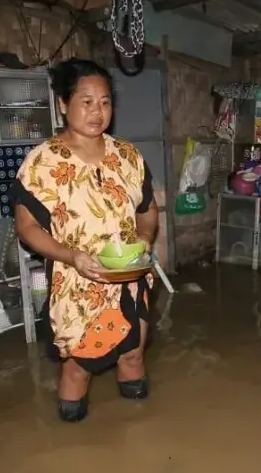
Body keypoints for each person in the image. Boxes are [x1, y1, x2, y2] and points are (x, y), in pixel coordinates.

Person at [11, 58, 158, 422]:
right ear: (63, 103)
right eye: (87, 101)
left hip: (129, 279)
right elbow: (27, 228)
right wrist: (71, 255)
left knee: (134, 353)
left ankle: (143, 433)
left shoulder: (127, 156)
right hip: (78, 284)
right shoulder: (42, 163)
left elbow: (148, 209)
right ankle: (73, 445)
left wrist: (144, 240)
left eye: (105, 102)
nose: (98, 112)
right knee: (80, 366)